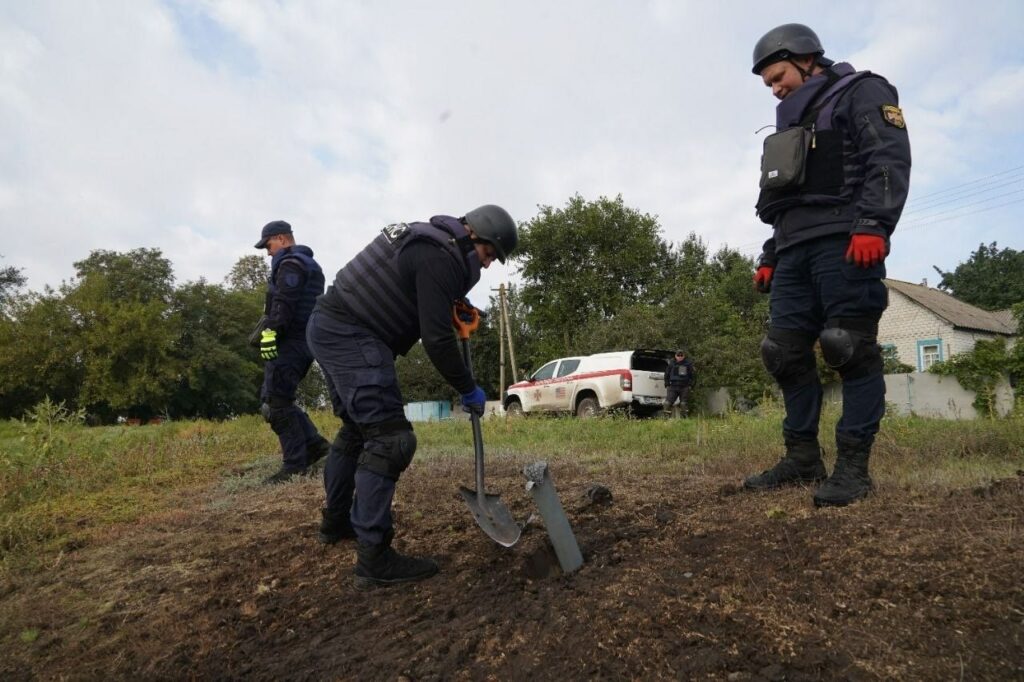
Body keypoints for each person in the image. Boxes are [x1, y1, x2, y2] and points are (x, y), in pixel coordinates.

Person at [743, 24, 911, 507]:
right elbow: (788, 195)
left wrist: (874, 224)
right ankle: (801, 459)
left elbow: (889, 156)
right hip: (794, 250)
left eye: (778, 77)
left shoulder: (862, 91)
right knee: (783, 353)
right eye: (769, 84)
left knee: (848, 347)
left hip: (845, 241)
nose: (775, 89)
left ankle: (853, 469)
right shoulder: (791, 124)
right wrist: (771, 256)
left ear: (804, 58)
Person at [306, 205, 518, 588]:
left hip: (328, 325)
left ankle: (335, 523)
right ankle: (374, 558)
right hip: (351, 333)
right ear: (476, 237)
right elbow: (436, 340)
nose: (486, 267)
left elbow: (417, 290)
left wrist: (449, 302)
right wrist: (467, 387)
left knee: (357, 432)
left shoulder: (432, 243)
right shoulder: (441, 258)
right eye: (488, 256)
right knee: (391, 440)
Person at [254, 220, 331, 484]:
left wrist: (270, 332)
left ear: (282, 239)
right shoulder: (308, 264)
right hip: (304, 339)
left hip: (291, 342)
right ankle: (317, 446)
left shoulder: (291, 264)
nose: (268, 252)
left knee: (275, 404)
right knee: (277, 399)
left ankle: (295, 464)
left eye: (269, 245)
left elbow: (284, 303)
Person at [664, 350, 695, 417]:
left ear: (684, 356)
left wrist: (691, 385)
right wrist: (667, 384)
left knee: (683, 404)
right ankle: (666, 419)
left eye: (681, 355)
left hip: (684, 387)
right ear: (675, 356)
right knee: (667, 404)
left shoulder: (688, 364)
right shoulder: (671, 363)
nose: (680, 357)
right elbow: (666, 374)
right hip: (673, 386)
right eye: (678, 355)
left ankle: (684, 420)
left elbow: (693, 376)